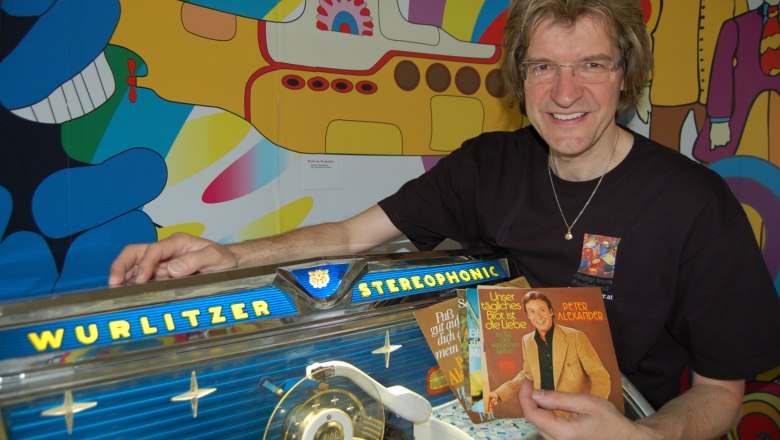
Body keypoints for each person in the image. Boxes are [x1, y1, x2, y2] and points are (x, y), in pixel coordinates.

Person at [110, 0, 780, 438]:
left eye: (591, 66)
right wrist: (230, 254)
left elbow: (722, 393)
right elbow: (350, 235)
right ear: (520, 78)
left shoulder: (696, 204)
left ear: (626, 76)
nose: (564, 92)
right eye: (543, 67)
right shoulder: (488, 167)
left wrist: (638, 435)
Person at [488, 291, 610, 416]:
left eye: (542, 310)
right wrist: (499, 393)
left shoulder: (575, 336)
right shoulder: (527, 340)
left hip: (575, 413)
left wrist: (591, 410)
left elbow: (600, 376)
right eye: (532, 312)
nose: (538, 316)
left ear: (551, 311)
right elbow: (527, 375)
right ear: (528, 316)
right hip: (543, 412)